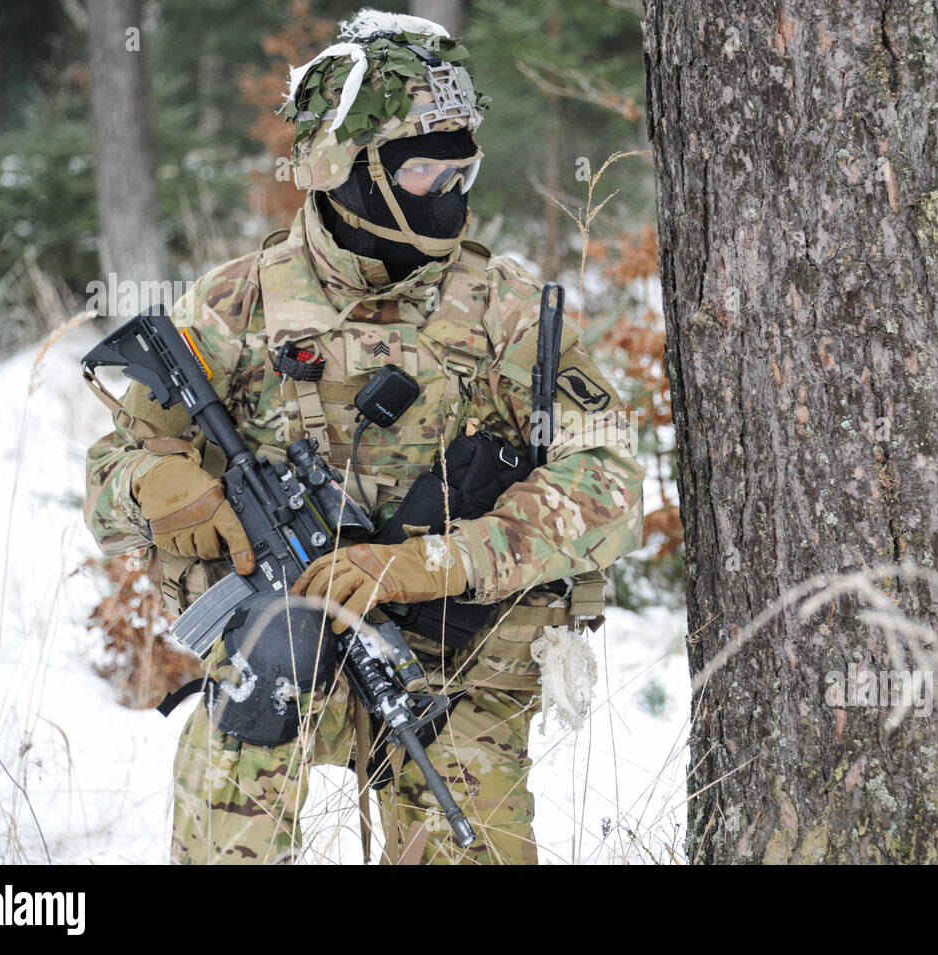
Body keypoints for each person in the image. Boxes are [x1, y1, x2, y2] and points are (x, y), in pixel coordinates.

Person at [82, 9, 644, 865]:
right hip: (284, 648)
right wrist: (149, 486)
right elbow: (111, 471)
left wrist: (427, 564)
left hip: (456, 660)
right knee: (262, 681)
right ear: (343, 168)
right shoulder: (236, 307)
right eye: (423, 170)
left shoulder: (506, 311)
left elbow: (610, 486)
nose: (450, 192)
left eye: (465, 169)